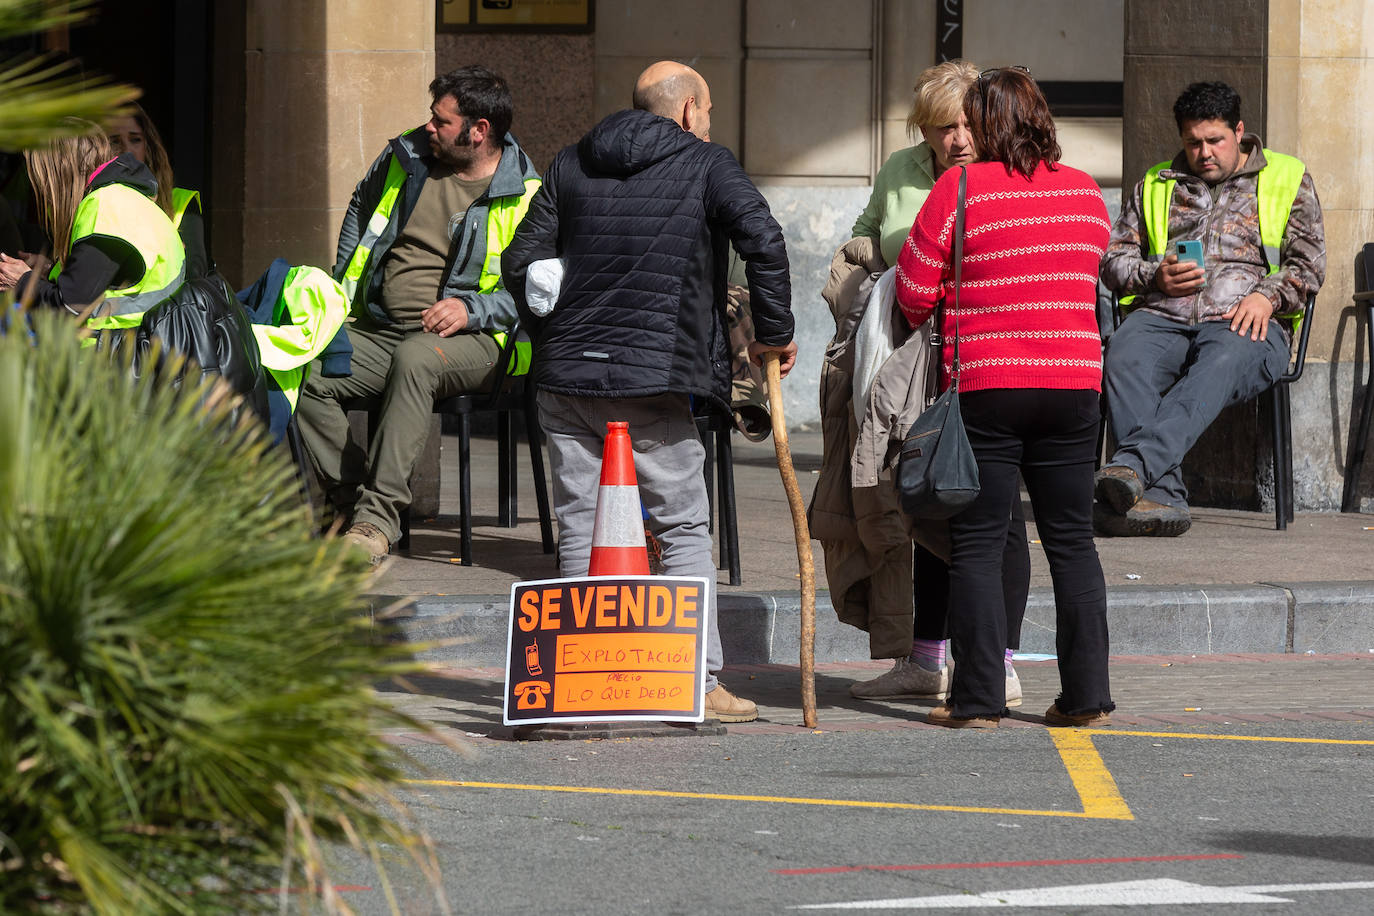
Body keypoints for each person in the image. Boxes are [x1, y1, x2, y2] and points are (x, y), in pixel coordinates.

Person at [502, 61, 796, 724]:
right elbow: (764, 239)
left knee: (581, 521)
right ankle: (699, 683)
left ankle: (577, 684)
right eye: (710, 109)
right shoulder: (706, 162)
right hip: (655, 379)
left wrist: (549, 321)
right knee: (682, 521)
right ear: (689, 110)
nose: (709, 121)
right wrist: (771, 335)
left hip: (568, 376)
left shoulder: (571, 163)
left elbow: (520, 260)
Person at [895, 67, 1114, 728]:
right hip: (1075, 385)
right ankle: (1085, 697)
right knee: (1073, 541)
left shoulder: (958, 188)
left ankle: (979, 700)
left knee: (980, 545)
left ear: (985, 124)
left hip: (988, 387)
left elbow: (910, 294)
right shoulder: (1085, 193)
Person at [830, 60, 1030, 706]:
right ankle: (926, 658)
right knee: (928, 501)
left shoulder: (1007, 176)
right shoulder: (899, 173)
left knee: (996, 517)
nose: (958, 140)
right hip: (912, 364)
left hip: (988, 362)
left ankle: (999, 661)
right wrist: (865, 282)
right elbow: (864, 239)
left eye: (968, 124)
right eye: (943, 128)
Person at [295, 65, 540, 563]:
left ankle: (375, 522)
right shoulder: (405, 158)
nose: (429, 127)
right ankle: (349, 502)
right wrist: (344, 287)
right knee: (302, 364)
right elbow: (361, 212)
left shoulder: (527, 195)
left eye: (442, 121)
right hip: (381, 328)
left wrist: (473, 309)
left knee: (416, 359)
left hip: (483, 342)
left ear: (479, 131)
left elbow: (538, 291)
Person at [1096, 81, 1325, 536]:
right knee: (1122, 355)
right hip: (1163, 315)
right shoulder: (1157, 183)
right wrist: (1153, 276)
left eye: (1215, 140)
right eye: (1193, 142)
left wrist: (1268, 295)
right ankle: (1160, 500)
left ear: (1239, 131)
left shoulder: (1286, 177)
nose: (1204, 153)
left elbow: (1310, 263)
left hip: (1248, 321)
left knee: (1219, 361)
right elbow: (1113, 259)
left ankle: (1134, 468)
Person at [0, 120, 185, 332]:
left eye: (42, 180)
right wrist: (50, 271)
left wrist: (23, 282)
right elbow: (100, 282)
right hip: (142, 341)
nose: (42, 192)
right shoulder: (122, 196)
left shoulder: (105, 208)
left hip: (119, 352)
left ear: (60, 175)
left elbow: (71, 308)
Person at [107, 102, 211, 280]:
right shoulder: (94, 202)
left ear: (148, 147)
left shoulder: (181, 200)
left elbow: (195, 274)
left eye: (135, 140)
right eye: (115, 141)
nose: (126, 151)